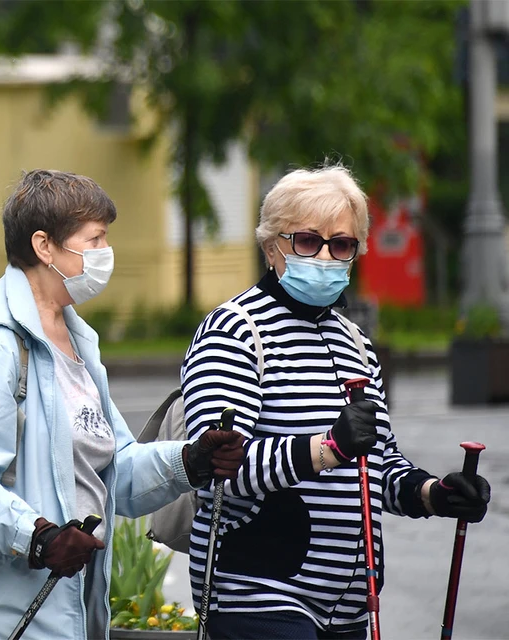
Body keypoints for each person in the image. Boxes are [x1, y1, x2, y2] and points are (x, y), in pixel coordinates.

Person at [0, 169, 245, 640]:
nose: (105, 254)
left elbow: (112, 471)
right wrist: (38, 538)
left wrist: (190, 459)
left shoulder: (77, 343)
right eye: (95, 239)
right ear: (44, 247)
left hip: (60, 612)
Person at [180, 165, 492, 639]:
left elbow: (378, 463)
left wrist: (434, 494)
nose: (325, 256)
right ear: (272, 247)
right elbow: (219, 465)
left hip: (348, 606)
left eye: (341, 244)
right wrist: (328, 447)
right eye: (307, 241)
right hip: (259, 595)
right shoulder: (236, 329)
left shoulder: (356, 343)